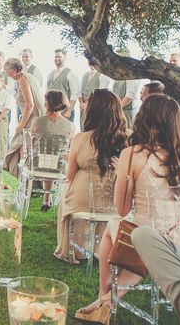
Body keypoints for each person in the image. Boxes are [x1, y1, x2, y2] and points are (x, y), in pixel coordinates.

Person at [76, 94, 180, 323]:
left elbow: (122, 208)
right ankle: (107, 301)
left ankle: (104, 299)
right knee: (145, 242)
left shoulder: (132, 154)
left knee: (114, 228)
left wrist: (122, 175)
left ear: (144, 120)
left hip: (146, 240)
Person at [53, 89, 126, 261]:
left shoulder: (81, 138)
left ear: (93, 111)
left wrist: (72, 157)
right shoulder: (129, 138)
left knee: (66, 187)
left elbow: (70, 174)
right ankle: (104, 246)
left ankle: (76, 248)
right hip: (116, 203)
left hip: (83, 202)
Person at [30, 90, 75, 212]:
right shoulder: (70, 125)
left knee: (45, 157)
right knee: (53, 157)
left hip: (37, 165)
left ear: (49, 103)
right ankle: (47, 198)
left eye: (45, 100)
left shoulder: (37, 121)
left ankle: (46, 198)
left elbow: (32, 143)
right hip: (59, 167)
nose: (44, 103)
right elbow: (70, 147)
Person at [3, 57, 45, 177]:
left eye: (8, 71)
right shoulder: (27, 77)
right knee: (23, 150)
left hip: (31, 121)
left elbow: (30, 105)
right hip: (31, 119)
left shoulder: (23, 79)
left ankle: (25, 182)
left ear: (15, 70)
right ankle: (25, 182)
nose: (7, 74)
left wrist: (21, 125)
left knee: (23, 150)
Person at [46, 49, 79, 122]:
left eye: (59, 57)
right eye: (55, 57)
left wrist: (69, 111)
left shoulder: (71, 73)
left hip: (65, 112)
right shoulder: (50, 74)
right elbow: (47, 93)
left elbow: (74, 94)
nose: (57, 59)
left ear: (65, 57)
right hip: (52, 113)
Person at [78, 58, 110, 130]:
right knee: (82, 127)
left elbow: (101, 93)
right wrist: (81, 103)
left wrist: (87, 104)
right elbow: (79, 92)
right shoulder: (85, 75)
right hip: (83, 108)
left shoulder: (103, 75)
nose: (92, 65)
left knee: (93, 128)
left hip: (95, 107)